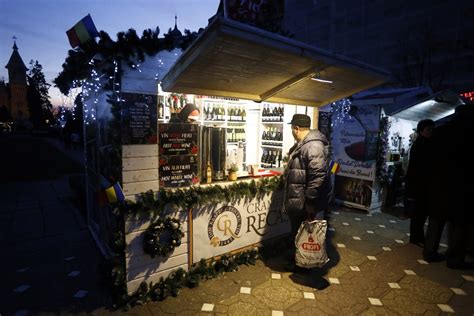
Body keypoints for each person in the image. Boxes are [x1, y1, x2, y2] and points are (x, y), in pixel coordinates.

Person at [424, 104, 474, 268]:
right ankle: (454, 258)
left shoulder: (440, 131)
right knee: (459, 225)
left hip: (439, 185)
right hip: (462, 188)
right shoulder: (469, 133)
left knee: (436, 221)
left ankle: (429, 252)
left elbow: (430, 159)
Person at [283, 114, 332, 275]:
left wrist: (310, 201)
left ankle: (304, 267)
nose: (292, 131)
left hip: (305, 202)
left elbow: (318, 176)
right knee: (299, 233)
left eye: (292, 128)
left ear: (296, 129)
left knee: (303, 233)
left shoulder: (313, 146)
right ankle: (300, 262)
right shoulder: (305, 144)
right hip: (300, 200)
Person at [405, 119, 434, 247]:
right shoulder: (421, 145)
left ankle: (417, 237)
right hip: (419, 185)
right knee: (419, 213)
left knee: (420, 213)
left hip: (420, 184)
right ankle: (417, 237)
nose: (431, 132)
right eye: (429, 129)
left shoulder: (423, 143)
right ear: (422, 130)